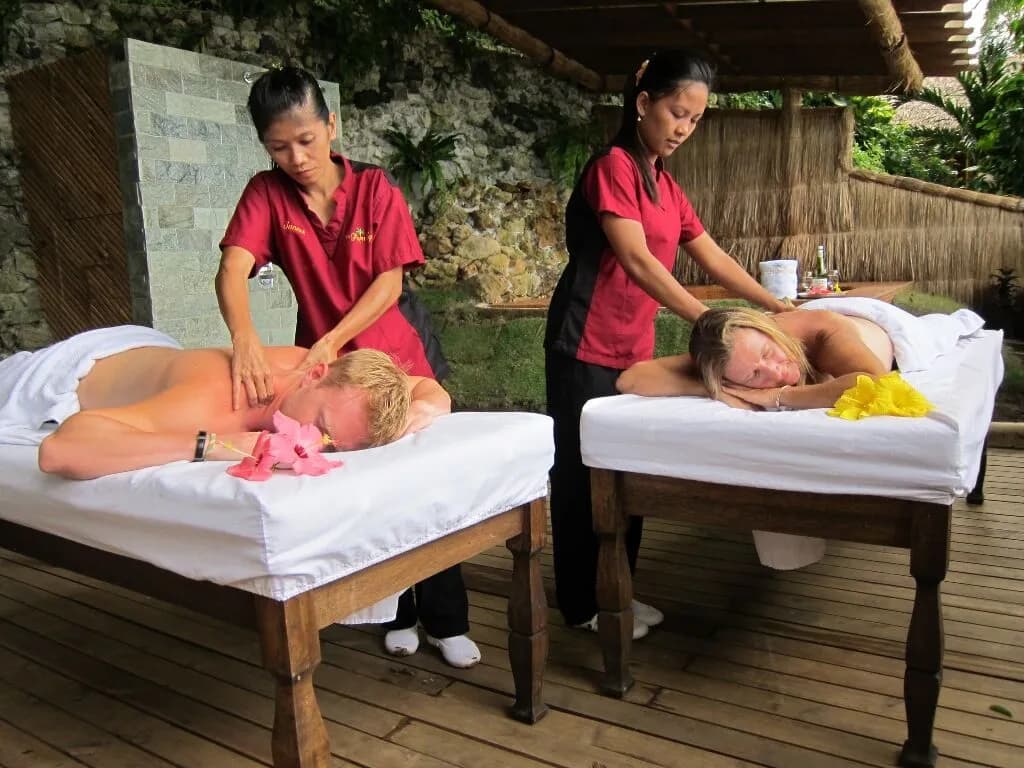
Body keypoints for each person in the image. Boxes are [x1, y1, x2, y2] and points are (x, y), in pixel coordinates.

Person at [213, 67, 476, 669]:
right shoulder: (266, 193)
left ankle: (447, 617)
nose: (297, 157)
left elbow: (389, 282)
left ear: (331, 125)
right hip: (326, 372)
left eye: (307, 139)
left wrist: (334, 335)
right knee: (360, 487)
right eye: (279, 147)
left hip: (395, 351)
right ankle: (398, 612)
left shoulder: (375, 188)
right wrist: (244, 335)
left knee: (424, 479)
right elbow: (232, 268)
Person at [544, 50, 794, 640]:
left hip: (633, 346)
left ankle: (619, 594)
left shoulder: (664, 182)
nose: (683, 128)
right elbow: (634, 259)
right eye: (677, 112)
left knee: (626, 471)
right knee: (584, 478)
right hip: (583, 343)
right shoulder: (614, 166)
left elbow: (713, 255)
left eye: (694, 120)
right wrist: (710, 319)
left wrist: (778, 307)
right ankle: (584, 605)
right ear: (643, 103)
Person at [14, 325, 448, 481]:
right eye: (320, 425)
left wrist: (423, 409)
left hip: (150, 349)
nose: (315, 442)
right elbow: (59, 452)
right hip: (61, 372)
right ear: (314, 377)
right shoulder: (213, 399)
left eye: (334, 443)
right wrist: (209, 444)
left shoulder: (336, 379)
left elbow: (426, 388)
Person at [617, 305, 894, 410]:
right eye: (754, 376)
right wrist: (715, 390)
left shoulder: (824, 332)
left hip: (872, 321)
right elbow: (631, 378)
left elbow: (878, 383)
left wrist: (779, 396)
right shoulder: (730, 352)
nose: (774, 373)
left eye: (768, 353)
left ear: (769, 330)